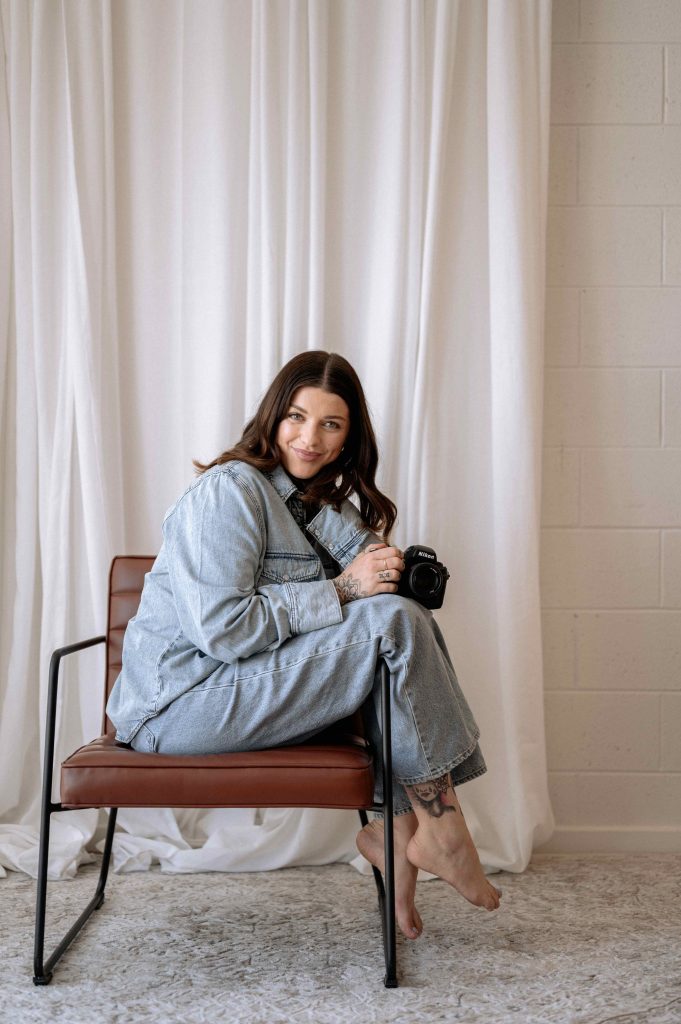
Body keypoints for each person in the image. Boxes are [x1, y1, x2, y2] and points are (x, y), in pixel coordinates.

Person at [106, 350, 501, 939]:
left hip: (230, 692)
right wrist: (346, 587)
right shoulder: (229, 491)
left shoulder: (311, 504)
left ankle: (394, 834)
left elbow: (382, 597)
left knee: (392, 624)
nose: (309, 437)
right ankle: (441, 833)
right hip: (179, 705)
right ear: (272, 418)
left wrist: (384, 569)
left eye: (330, 424)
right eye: (296, 416)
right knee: (388, 627)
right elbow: (224, 630)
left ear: (347, 439)